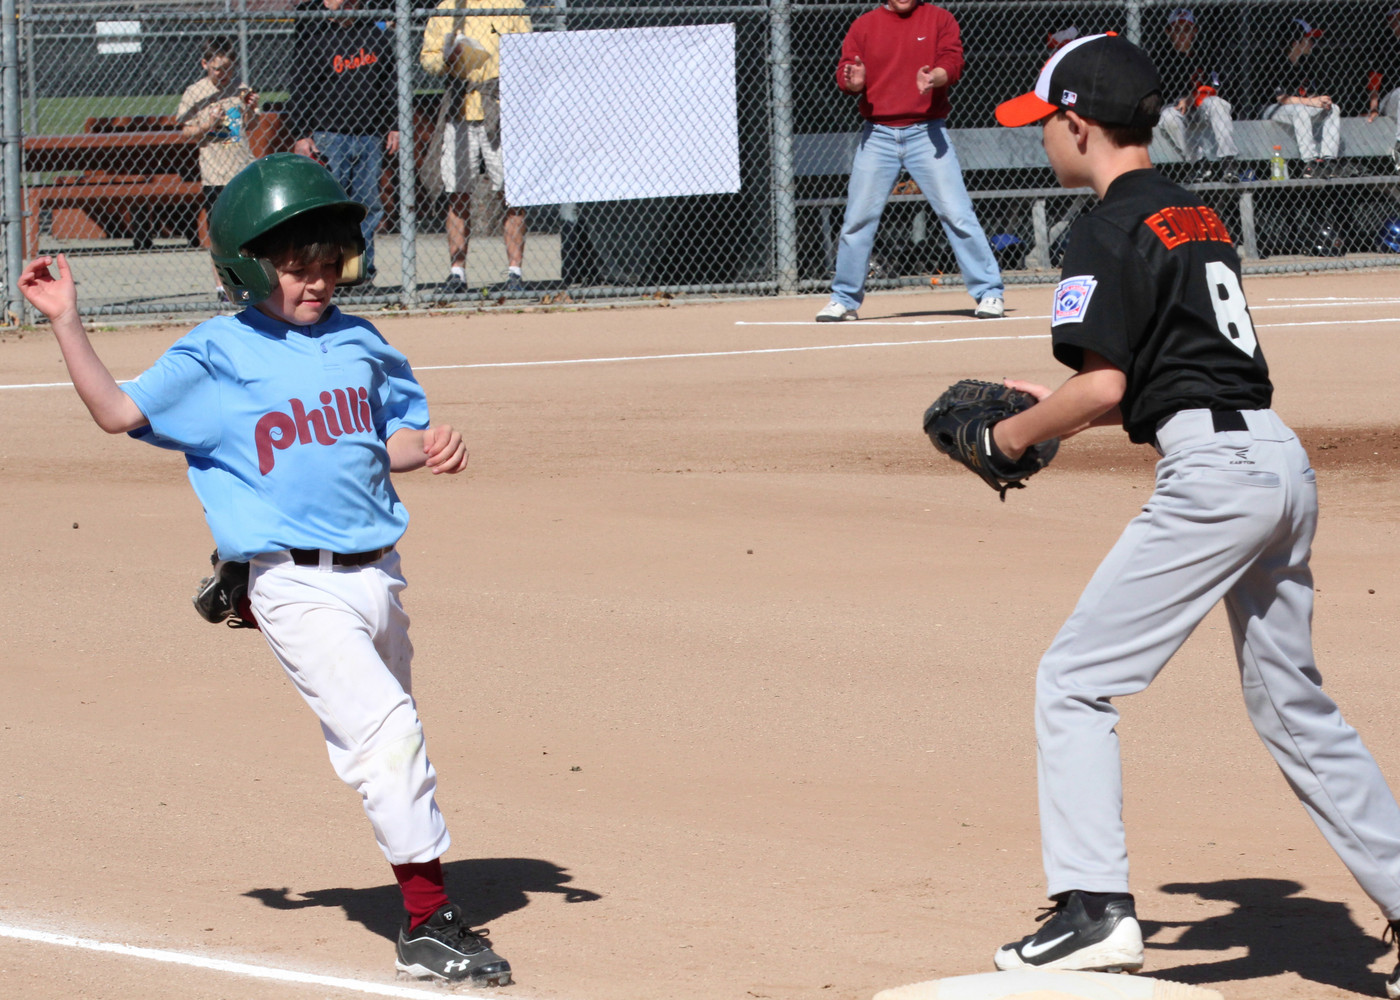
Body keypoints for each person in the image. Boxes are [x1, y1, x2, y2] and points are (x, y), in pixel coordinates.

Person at [16, 153, 512, 988]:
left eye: (328, 264)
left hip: (378, 574)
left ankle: (237, 580)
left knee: (392, 734)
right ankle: (428, 925)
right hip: (298, 583)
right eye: (295, 267)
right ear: (248, 267)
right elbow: (117, 411)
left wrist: (425, 448)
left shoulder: (361, 341)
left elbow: (384, 441)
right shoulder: (219, 353)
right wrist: (68, 320)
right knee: (387, 735)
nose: (316, 281)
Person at [986, 35, 1400, 990]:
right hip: (1277, 460)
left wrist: (1010, 439)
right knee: (1294, 704)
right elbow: (1172, 374)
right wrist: (1047, 408)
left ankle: (1093, 909)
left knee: (1074, 681)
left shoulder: (1102, 225)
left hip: (1214, 479)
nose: (1042, 137)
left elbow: (1103, 387)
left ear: (1078, 124)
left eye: (1046, 121)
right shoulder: (1195, 214)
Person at [815, 0, 1004, 322]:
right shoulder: (864, 25)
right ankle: (844, 299)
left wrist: (936, 77)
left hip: (927, 132)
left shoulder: (939, 19)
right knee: (857, 220)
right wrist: (853, 82)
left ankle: (989, 292)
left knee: (957, 214)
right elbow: (847, 76)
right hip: (877, 135)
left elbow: (952, 63)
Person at [419, 0, 532, 294]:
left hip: (501, 108)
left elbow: (528, 51)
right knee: (457, 192)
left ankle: (515, 273)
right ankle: (457, 274)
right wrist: (447, 58)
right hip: (460, 110)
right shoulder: (446, 8)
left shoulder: (511, 4)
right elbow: (428, 59)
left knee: (511, 193)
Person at [288, 0, 400, 281]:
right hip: (329, 136)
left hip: (370, 136)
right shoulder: (315, 35)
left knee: (366, 207)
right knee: (329, 207)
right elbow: (300, 88)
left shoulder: (373, 34)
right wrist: (301, 134)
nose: (348, 3)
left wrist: (394, 125)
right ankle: (326, 273)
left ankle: (359, 273)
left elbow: (389, 84)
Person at [176, 36, 259, 291]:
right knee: (219, 236)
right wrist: (207, 124)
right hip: (215, 175)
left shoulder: (240, 89)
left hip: (241, 170)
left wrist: (250, 109)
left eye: (228, 69)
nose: (223, 74)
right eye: (217, 69)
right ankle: (223, 289)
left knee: (248, 232)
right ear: (205, 64)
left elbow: (252, 124)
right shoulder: (195, 92)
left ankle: (248, 284)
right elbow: (185, 131)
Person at [1150, 7, 1239, 182]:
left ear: (1194, 31)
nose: (1182, 34)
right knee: (1168, 118)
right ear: (1168, 32)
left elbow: (1215, 86)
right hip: (1176, 110)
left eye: (1187, 29)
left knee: (1218, 103)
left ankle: (1229, 161)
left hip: (1201, 106)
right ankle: (1198, 163)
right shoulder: (1160, 56)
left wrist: (1192, 98)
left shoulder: (1205, 53)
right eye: (1176, 29)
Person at [1262, 18, 1343, 178]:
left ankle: (1328, 159)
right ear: (1295, 43)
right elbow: (1282, 99)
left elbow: (1309, 95)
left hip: (1298, 109)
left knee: (1333, 108)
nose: (1312, 43)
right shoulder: (1275, 62)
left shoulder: (1305, 64)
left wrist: (1320, 101)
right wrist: (1311, 101)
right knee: (1301, 110)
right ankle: (1310, 162)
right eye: (1308, 39)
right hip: (1272, 109)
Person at [1364, 6, 1400, 173]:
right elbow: (1374, 80)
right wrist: (1374, 108)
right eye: (1397, 19)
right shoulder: (1385, 44)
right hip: (1391, 99)